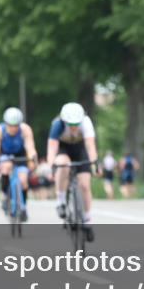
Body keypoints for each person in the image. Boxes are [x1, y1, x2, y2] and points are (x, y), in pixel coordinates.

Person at [46, 102, 98, 241]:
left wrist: (94, 164)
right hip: (64, 149)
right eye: (70, 124)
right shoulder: (57, 124)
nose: (74, 127)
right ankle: (61, 199)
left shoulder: (86, 123)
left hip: (80, 150)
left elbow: (90, 146)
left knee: (85, 185)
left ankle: (87, 218)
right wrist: (52, 166)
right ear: (64, 121)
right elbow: (52, 148)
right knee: (63, 164)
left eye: (76, 124)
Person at [0, 107, 39, 222]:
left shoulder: (25, 129)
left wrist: (32, 160)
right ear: (5, 123)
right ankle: (5, 196)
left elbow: (30, 147)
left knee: (23, 180)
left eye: (16, 125)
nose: (13, 128)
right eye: (10, 125)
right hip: (5, 154)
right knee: (5, 168)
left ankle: (23, 206)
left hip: (20, 154)